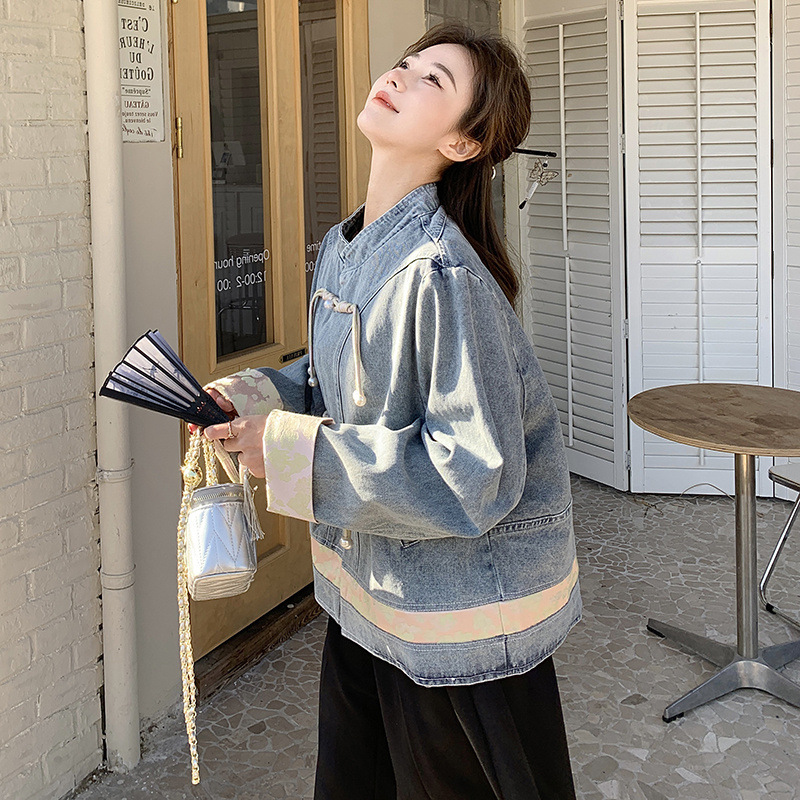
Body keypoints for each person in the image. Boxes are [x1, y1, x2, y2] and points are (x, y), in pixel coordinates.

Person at [199, 22, 581, 800]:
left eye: (434, 79)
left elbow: (473, 475)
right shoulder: (349, 246)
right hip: (370, 597)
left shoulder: (441, 275)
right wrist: (251, 401)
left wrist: (288, 450)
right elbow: (335, 379)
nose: (400, 75)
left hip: (459, 627)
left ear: (464, 143)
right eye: (407, 63)